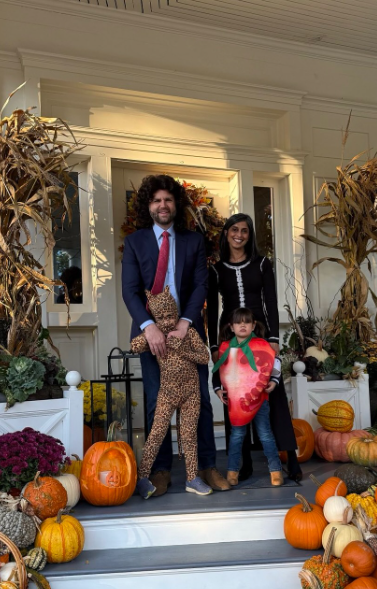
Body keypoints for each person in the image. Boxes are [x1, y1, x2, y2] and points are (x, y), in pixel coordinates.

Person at [122, 174, 230, 495]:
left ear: (175, 204)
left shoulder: (192, 241)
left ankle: (207, 466)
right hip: (151, 334)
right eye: (156, 200)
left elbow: (200, 285)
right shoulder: (135, 242)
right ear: (149, 206)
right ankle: (161, 471)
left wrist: (185, 322)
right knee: (158, 404)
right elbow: (129, 291)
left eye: (168, 199)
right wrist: (149, 327)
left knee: (202, 403)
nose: (163, 205)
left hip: (188, 332)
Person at [207, 213, 302, 482]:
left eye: (245, 231)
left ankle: (290, 458)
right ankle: (243, 462)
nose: (239, 235)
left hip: (259, 334)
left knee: (273, 393)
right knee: (235, 395)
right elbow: (212, 310)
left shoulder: (261, 264)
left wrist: (273, 338)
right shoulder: (215, 269)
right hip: (230, 338)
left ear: (250, 236)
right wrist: (214, 345)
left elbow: (270, 300)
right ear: (226, 233)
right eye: (234, 230)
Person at [131, 287, 213, 498]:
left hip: (191, 393)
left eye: (170, 316)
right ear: (155, 317)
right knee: (156, 433)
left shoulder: (189, 333)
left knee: (189, 435)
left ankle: (192, 478)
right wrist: (150, 335)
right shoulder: (156, 335)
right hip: (167, 393)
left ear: (176, 313)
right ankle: (142, 477)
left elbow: (204, 357)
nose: (167, 321)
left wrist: (182, 349)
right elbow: (134, 346)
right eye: (161, 317)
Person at [212, 308, 284, 487]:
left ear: (253, 326)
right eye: (238, 322)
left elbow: (275, 362)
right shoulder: (225, 348)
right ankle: (232, 471)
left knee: (265, 435)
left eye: (246, 322)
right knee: (236, 437)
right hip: (237, 403)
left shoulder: (262, 344)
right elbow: (218, 369)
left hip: (260, 400)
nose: (242, 325)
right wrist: (217, 389)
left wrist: (274, 382)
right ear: (231, 327)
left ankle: (276, 471)